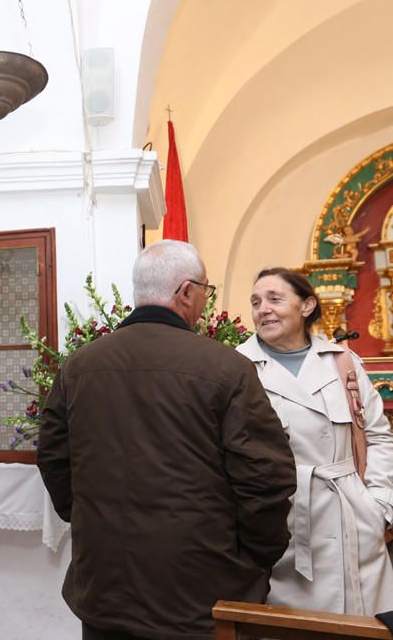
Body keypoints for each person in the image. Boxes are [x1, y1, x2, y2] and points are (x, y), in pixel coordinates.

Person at [37, 240, 296, 640]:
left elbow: (53, 457)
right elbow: (265, 475)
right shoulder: (227, 367)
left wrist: (91, 521)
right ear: (187, 292)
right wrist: (256, 556)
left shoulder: (79, 366)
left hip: (105, 583)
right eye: (206, 292)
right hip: (200, 589)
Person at [237, 267, 393, 615]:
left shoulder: (343, 363)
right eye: (256, 302)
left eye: (275, 299)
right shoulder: (237, 366)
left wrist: (379, 504)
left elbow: (379, 435)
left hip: (354, 520)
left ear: (307, 305)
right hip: (284, 525)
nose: (263, 309)